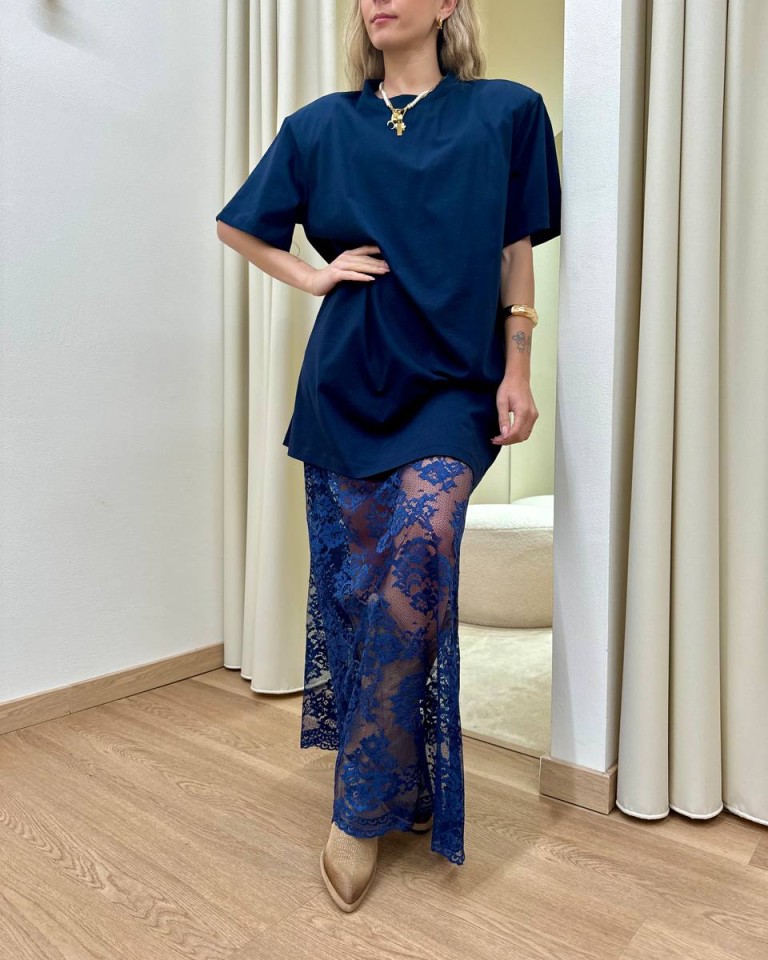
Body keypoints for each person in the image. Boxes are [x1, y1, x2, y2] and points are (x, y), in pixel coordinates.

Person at [215, 0, 561, 912]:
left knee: (420, 550)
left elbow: (515, 251)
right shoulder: (320, 126)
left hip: (453, 386)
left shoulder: (508, 111)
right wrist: (312, 274)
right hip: (347, 381)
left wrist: (518, 366)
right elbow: (237, 225)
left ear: (447, 4)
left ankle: (360, 809)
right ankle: (397, 778)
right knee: (359, 588)